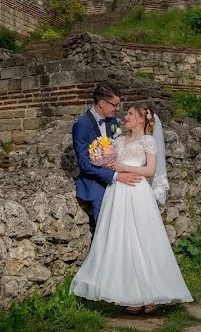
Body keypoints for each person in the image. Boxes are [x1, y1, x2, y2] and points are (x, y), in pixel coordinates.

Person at [71, 104, 192, 314]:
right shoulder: (118, 141)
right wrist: (102, 158)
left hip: (137, 192)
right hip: (117, 193)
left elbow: (150, 170)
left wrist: (121, 167)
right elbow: (109, 163)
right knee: (122, 240)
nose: (124, 117)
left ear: (140, 120)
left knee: (143, 239)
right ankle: (131, 295)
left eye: (130, 114)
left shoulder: (148, 141)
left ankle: (152, 292)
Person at [72, 83, 142, 230]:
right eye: (115, 105)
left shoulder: (113, 122)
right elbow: (84, 163)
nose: (117, 109)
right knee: (106, 228)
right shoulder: (81, 125)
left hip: (119, 179)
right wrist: (115, 176)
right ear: (102, 103)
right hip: (96, 183)